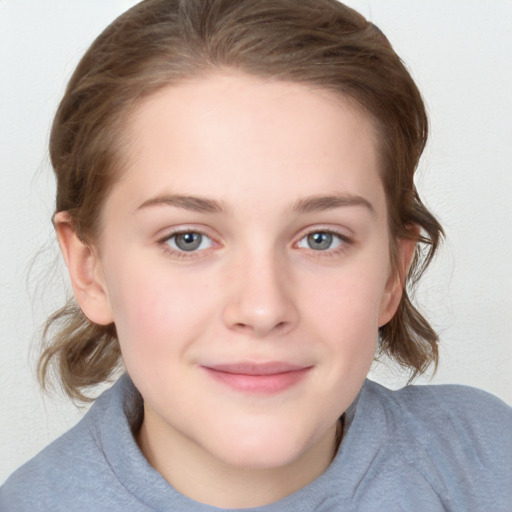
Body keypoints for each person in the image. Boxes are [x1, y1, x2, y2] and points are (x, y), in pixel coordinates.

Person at [1, 0, 511, 510]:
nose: (263, 310)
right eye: (188, 239)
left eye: (321, 238)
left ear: (392, 273)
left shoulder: (488, 462)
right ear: (90, 270)